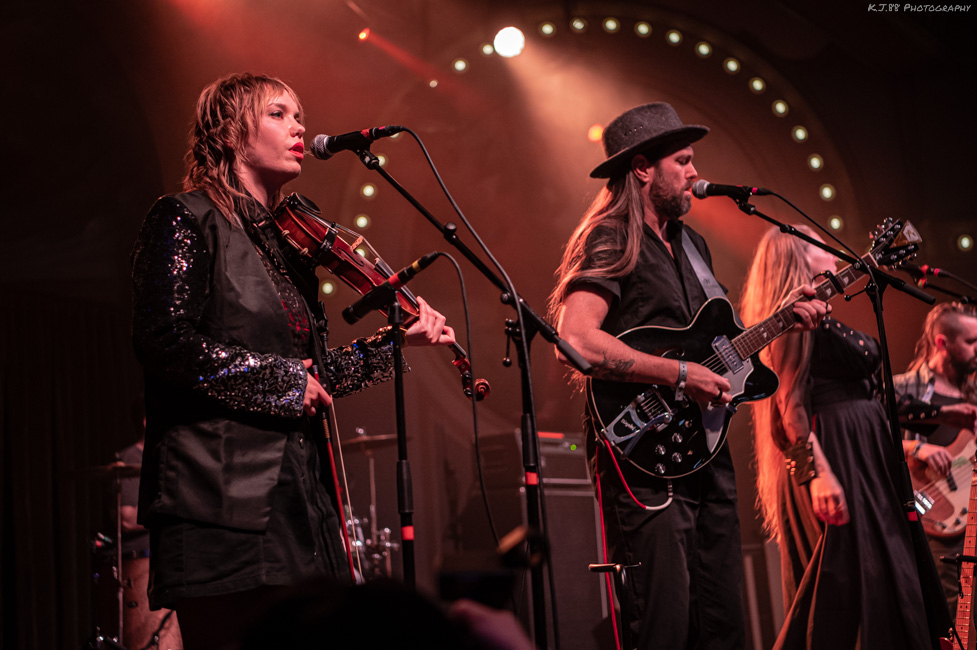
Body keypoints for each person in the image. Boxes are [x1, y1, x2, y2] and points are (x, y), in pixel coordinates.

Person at [131, 72, 455, 650]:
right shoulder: (186, 218)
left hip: (299, 498)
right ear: (231, 133)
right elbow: (164, 342)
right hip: (219, 501)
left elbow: (312, 378)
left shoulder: (286, 247)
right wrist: (279, 380)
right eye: (279, 114)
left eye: (299, 115)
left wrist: (393, 344)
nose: (300, 126)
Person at [548, 102, 827, 649]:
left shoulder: (693, 246)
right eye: (684, 160)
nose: (695, 173)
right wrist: (680, 375)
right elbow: (575, 339)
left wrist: (782, 320)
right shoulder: (611, 237)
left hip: (704, 450)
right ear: (642, 169)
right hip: (643, 452)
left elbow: (718, 346)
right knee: (664, 621)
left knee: (722, 621)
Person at [740, 226, 932, 649]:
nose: (831, 253)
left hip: (864, 454)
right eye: (816, 246)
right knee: (853, 585)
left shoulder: (819, 315)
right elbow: (788, 407)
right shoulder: (792, 319)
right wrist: (819, 475)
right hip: (838, 457)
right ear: (795, 260)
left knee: (884, 577)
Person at [895, 302, 977, 615]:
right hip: (935, 516)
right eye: (971, 342)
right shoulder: (903, 388)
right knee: (955, 615)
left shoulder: (973, 390)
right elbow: (870, 438)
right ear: (942, 343)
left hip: (973, 507)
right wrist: (917, 448)